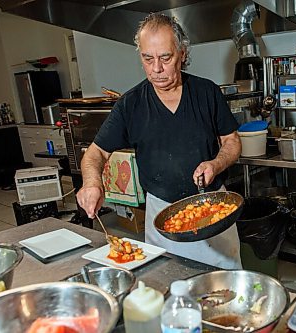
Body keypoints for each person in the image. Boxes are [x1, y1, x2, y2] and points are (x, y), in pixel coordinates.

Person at [76, 13, 243, 269]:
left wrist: (216, 164)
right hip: (162, 216)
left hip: (212, 209)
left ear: (182, 54)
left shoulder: (207, 92)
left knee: (227, 291)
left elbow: (232, 141)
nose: (157, 69)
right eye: (147, 58)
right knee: (168, 287)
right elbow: (95, 153)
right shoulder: (130, 105)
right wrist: (91, 184)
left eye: (165, 58)